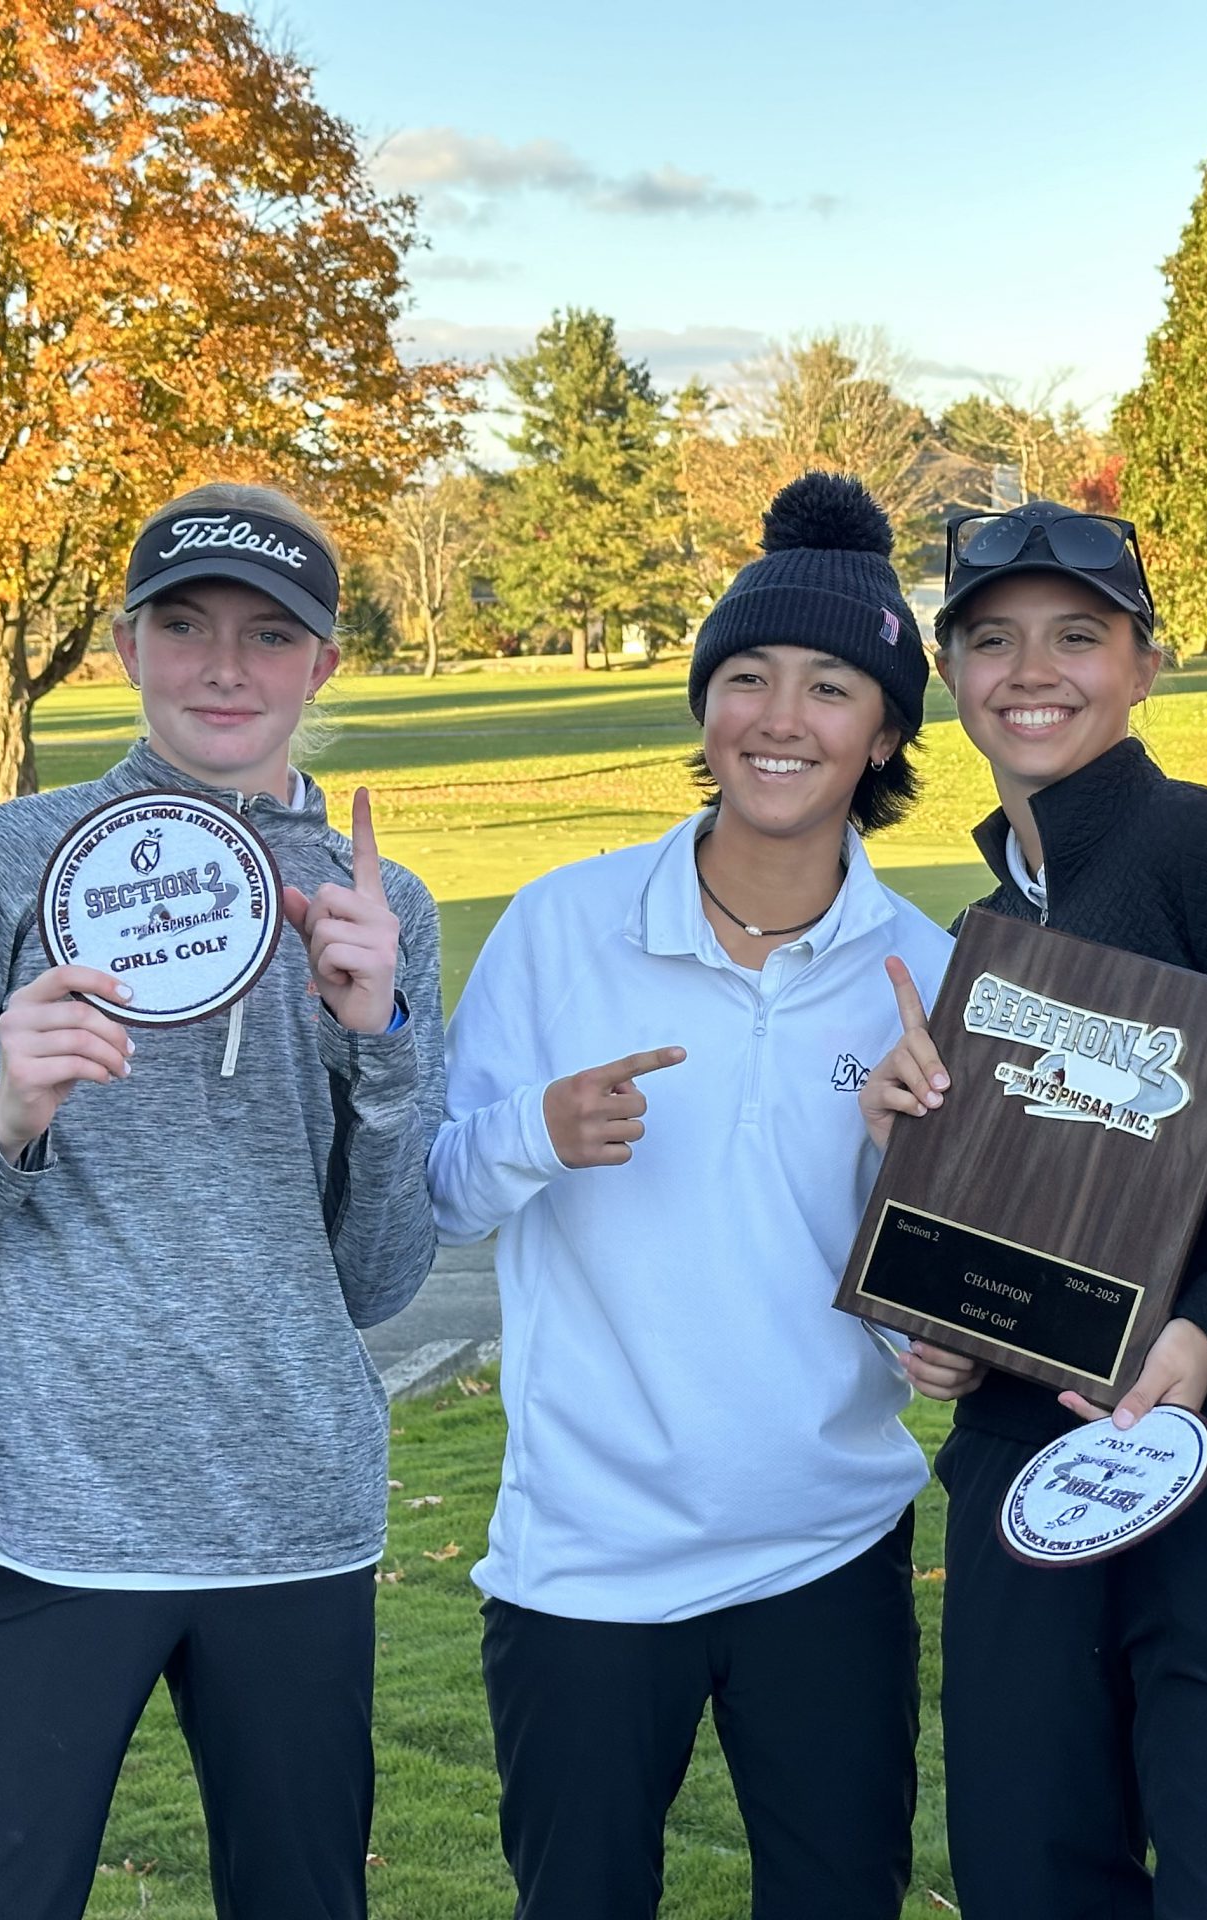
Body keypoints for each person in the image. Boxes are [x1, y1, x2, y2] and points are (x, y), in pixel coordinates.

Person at [0, 482, 444, 1920]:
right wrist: (9, 1113)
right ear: (123, 644)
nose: (226, 667)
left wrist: (385, 1043)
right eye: (185, 625)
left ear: (325, 664)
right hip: (38, 1513)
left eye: (269, 633)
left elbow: (376, 1280)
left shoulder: (379, 903)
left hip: (293, 1514)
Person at [426, 473, 955, 1920]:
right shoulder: (562, 926)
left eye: (831, 687)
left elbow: (937, 1293)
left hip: (829, 1543)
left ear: (887, 732)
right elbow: (438, 1194)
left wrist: (898, 1169)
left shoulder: (930, 967)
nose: (780, 718)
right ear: (704, 708)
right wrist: (537, 1130)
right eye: (746, 678)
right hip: (586, 1558)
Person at [859, 500, 1207, 1919]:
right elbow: (1018, 1219)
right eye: (995, 639)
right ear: (952, 676)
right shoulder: (985, 933)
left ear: (1145, 664)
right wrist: (947, 1326)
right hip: (1033, 1460)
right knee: (1034, 1874)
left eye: (1079, 635)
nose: (1035, 669)